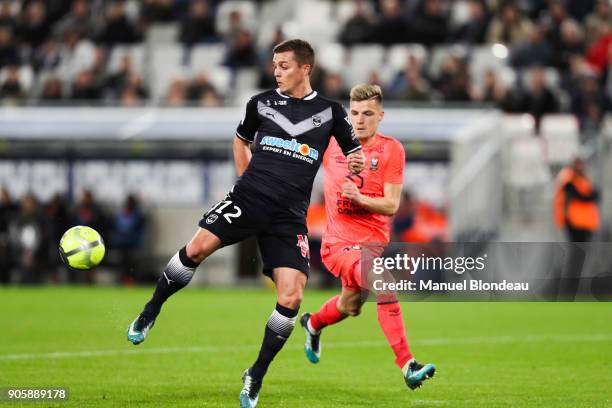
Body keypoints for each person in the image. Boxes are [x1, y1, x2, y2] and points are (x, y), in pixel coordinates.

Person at [126, 39, 365, 408]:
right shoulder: (260, 103)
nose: (276, 71)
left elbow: (355, 154)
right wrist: (244, 183)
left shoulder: (331, 112)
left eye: (284, 65)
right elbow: (240, 141)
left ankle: (256, 374)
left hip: (289, 214)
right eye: (274, 65)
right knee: (197, 248)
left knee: (292, 296)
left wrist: (356, 166)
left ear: (305, 68)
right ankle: (150, 310)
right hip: (250, 197)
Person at [299, 84, 436, 390]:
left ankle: (313, 323)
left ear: (381, 116)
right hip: (338, 245)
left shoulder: (391, 150)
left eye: (368, 114)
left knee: (351, 305)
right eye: (355, 113)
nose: (360, 120)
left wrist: (359, 198)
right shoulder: (331, 143)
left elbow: (391, 205)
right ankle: (407, 365)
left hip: (371, 245)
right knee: (385, 284)